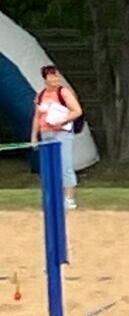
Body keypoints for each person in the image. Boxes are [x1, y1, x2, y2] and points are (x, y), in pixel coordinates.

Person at [29, 65, 82, 210]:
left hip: (62, 133)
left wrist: (62, 121)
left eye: (56, 76)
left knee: (65, 165)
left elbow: (77, 111)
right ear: (45, 79)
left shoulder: (63, 92)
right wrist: (34, 136)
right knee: (49, 166)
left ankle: (69, 198)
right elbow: (37, 117)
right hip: (46, 134)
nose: (55, 79)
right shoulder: (40, 95)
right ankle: (51, 197)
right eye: (51, 76)